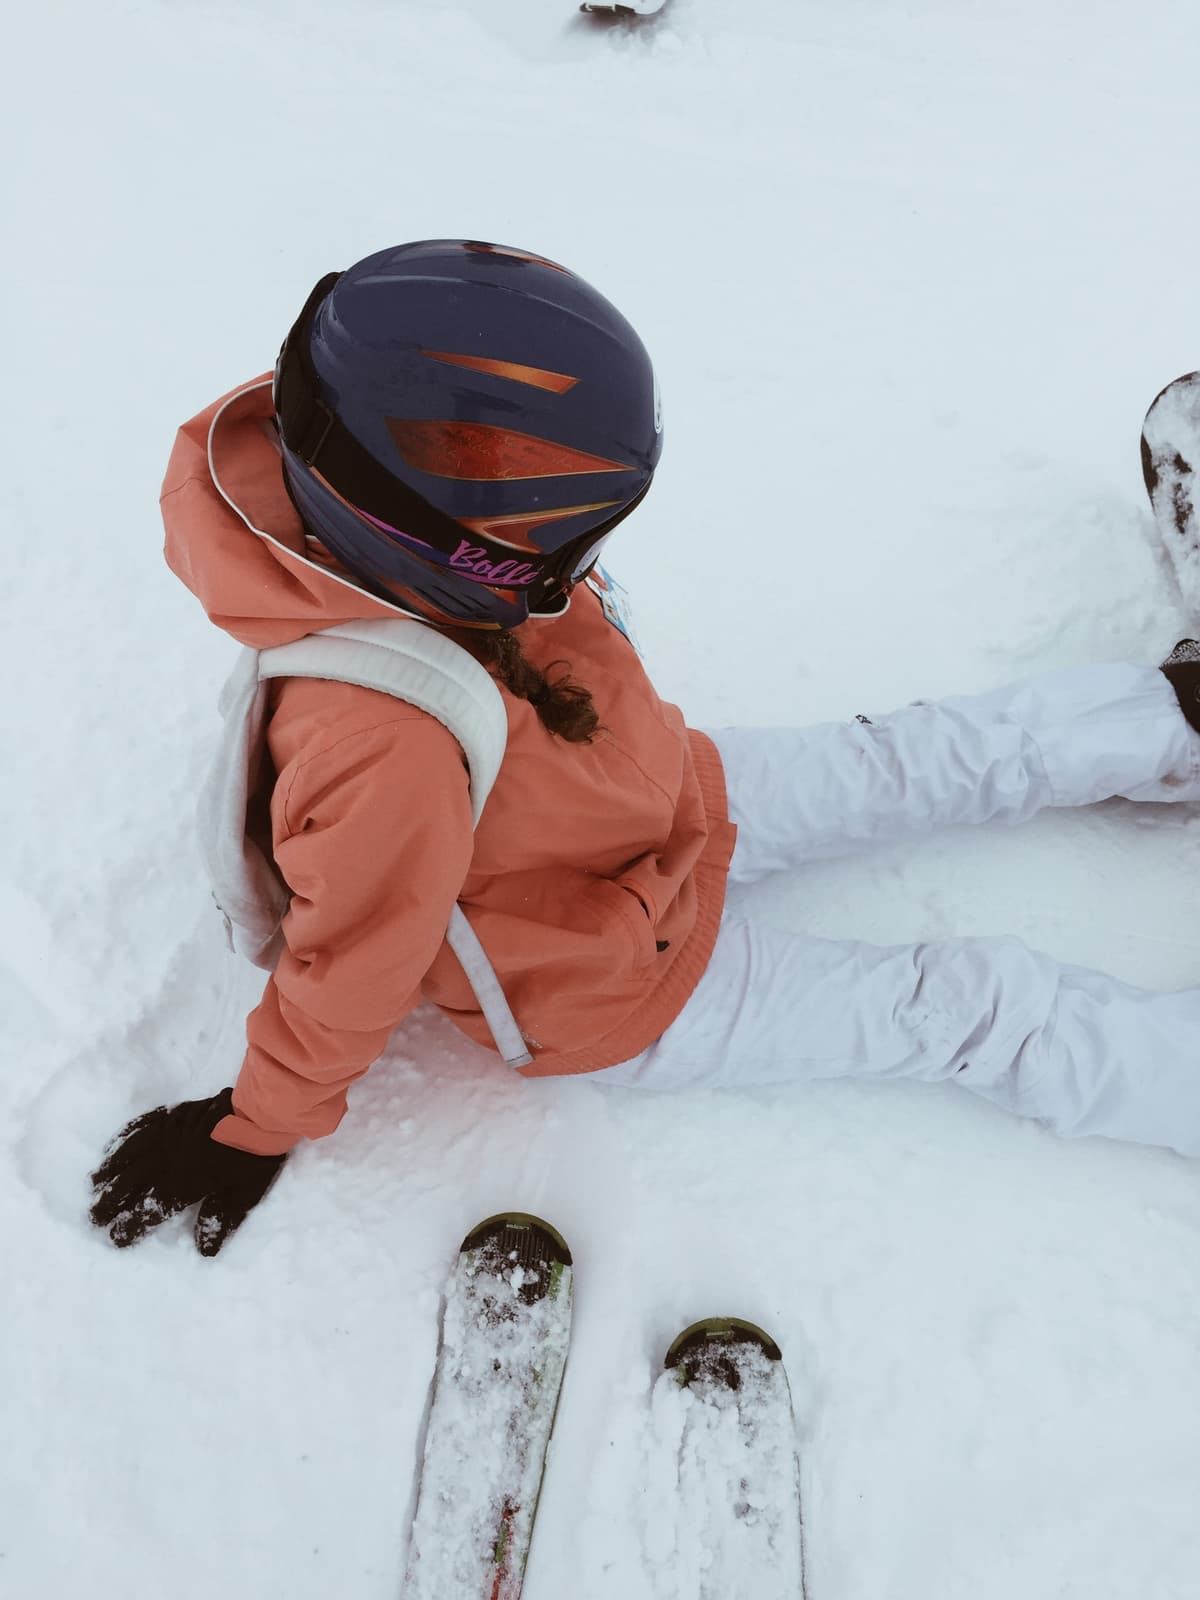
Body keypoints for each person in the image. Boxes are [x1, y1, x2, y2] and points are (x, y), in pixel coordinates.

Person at [89, 239, 1200, 1257]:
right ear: (446, 546)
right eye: (558, 537)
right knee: (969, 1004)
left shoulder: (379, 489)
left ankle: (1173, 724)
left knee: (906, 758)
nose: (582, 558)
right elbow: (352, 963)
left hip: (653, 797)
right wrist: (256, 1122)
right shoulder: (383, 750)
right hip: (603, 976)